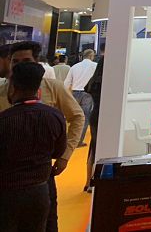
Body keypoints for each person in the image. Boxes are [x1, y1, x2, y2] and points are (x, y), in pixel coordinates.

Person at [0, 41, 84, 232]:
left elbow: (77, 116)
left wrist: (65, 156)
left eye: (26, 61)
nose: (20, 66)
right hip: (6, 178)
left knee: (47, 223)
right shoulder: (2, 90)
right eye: (15, 61)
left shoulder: (53, 87)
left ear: (36, 62)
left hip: (41, 176)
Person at [63, 49, 97, 146]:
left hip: (74, 93)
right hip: (87, 94)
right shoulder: (95, 66)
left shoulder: (75, 66)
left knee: (74, 117)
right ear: (91, 56)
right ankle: (78, 141)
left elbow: (66, 83)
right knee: (84, 118)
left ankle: (70, 139)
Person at [83, 56, 104, 193]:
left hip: (95, 115)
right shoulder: (106, 81)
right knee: (98, 149)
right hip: (104, 116)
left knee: (93, 147)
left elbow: (86, 89)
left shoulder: (93, 81)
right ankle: (94, 181)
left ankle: (88, 182)